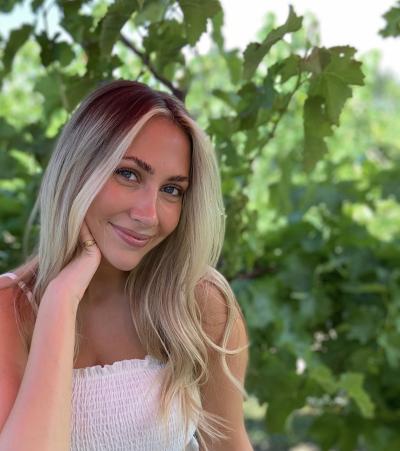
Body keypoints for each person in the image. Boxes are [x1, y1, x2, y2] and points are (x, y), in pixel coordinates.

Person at [0, 80, 252, 451]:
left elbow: (231, 445)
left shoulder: (198, 303)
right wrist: (61, 299)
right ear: (78, 171)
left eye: (172, 190)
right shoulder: (11, 311)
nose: (148, 214)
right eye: (129, 174)